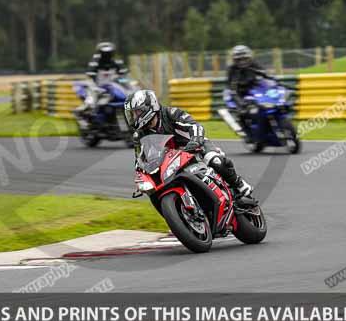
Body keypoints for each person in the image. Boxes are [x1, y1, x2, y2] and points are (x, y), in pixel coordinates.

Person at [124, 89, 256, 206]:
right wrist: (141, 177)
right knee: (154, 191)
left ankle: (239, 185)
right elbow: (140, 160)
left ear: (150, 106)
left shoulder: (171, 113)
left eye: (137, 112)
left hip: (194, 146)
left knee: (214, 160)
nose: (134, 117)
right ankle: (180, 217)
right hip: (170, 161)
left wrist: (195, 141)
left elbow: (194, 126)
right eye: (132, 114)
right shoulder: (139, 135)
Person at [227, 45, 275, 123]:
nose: (242, 62)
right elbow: (230, 85)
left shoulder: (254, 64)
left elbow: (264, 73)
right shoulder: (232, 69)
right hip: (240, 90)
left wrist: (270, 78)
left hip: (254, 87)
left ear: (249, 58)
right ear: (235, 60)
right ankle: (242, 119)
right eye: (239, 59)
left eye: (245, 59)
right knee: (240, 107)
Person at [82, 42, 129, 110]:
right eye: (105, 53)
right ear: (100, 52)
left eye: (109, 53)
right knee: (92, 96)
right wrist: (94, 85)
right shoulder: (95, 61)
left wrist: (127, 82)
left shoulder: (116, 60)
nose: (107, 55)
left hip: (113, 86)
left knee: (128, 90)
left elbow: (123, 74)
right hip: (98, 86)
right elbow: (90, 75)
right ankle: (90, 109)